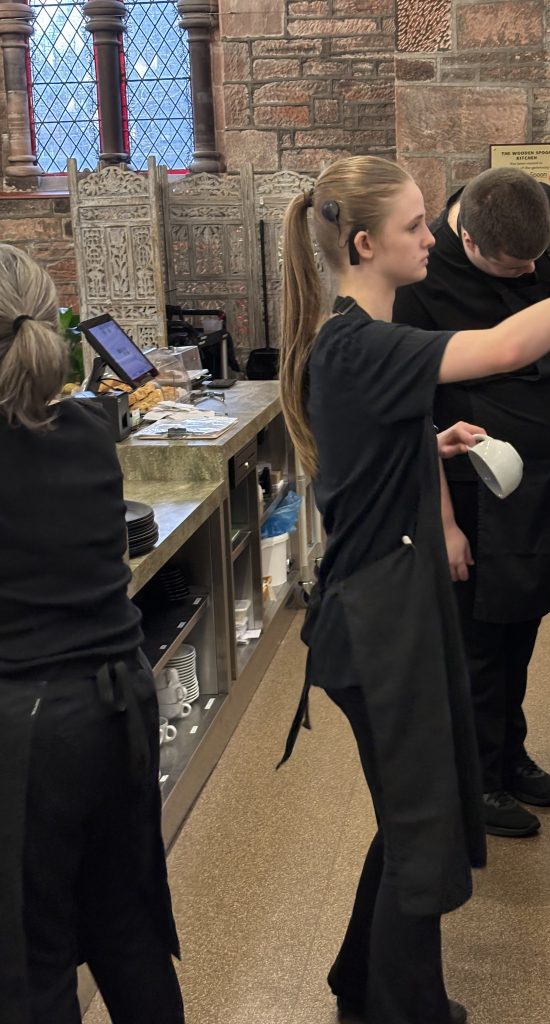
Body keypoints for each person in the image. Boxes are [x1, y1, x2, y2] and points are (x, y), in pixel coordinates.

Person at [277, 155, 550, 1024]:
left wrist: (430, 447)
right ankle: (405, 1010)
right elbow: (509, 344)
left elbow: (376, 447)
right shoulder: (362, 342)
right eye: (418, 226)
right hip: (379, 626)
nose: (432, 237)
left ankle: (356, 982)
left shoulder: (357, 342)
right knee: (425, 834)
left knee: (412, 818)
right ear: (366, 243)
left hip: (389, 612)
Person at [393, 167, 550, 838]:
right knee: (479, 641)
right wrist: (444, 523)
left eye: (538, 264)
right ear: (469, 241)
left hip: (535, 488)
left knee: (521, 628)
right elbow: (413, 421)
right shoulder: (420, 282)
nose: (532, 273)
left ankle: (508, 756)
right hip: (475, 486)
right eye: (515, 269)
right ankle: (477, 782)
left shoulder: (541, 209)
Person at [0, 245, 184, 1024]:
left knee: (30, 955)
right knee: (125, 924)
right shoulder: (85, 423)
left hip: (33, 731)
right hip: (121, 705)